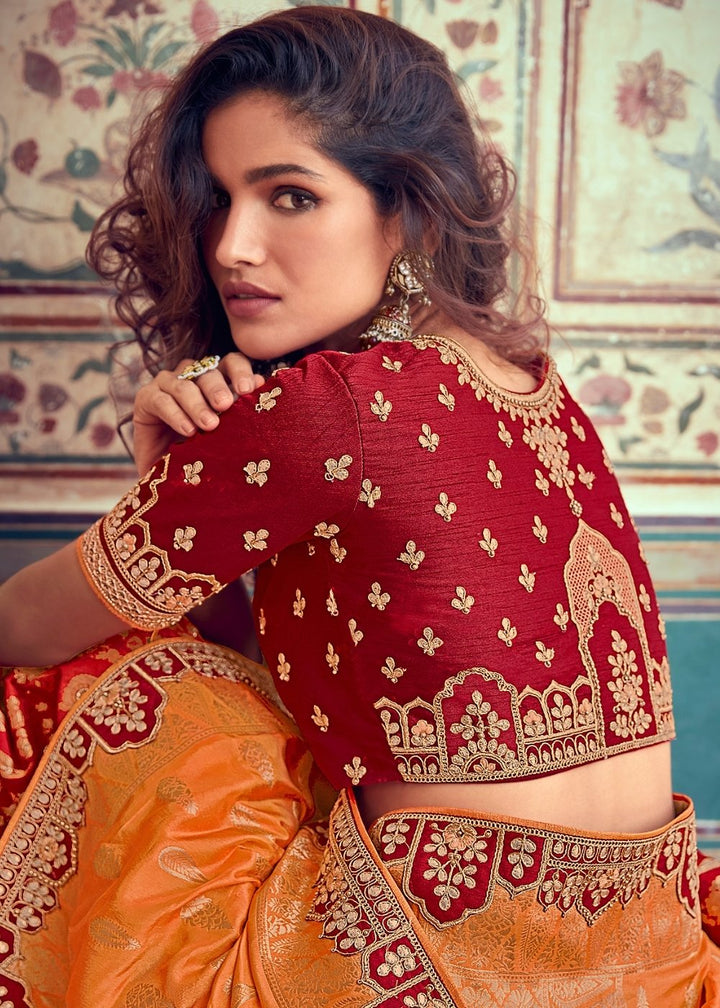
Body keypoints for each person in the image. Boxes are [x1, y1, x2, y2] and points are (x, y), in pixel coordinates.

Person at [0, 6, 718, 1006]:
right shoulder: (536, 390)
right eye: (218, 198)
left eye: (290, 196)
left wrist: (169, 492)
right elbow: (291, 675)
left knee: (102, 680)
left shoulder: (329, 407)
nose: (232, 245)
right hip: (649, 957)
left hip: (440, 970)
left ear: (408, 212)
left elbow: (22, 629)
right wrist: (173, 483)